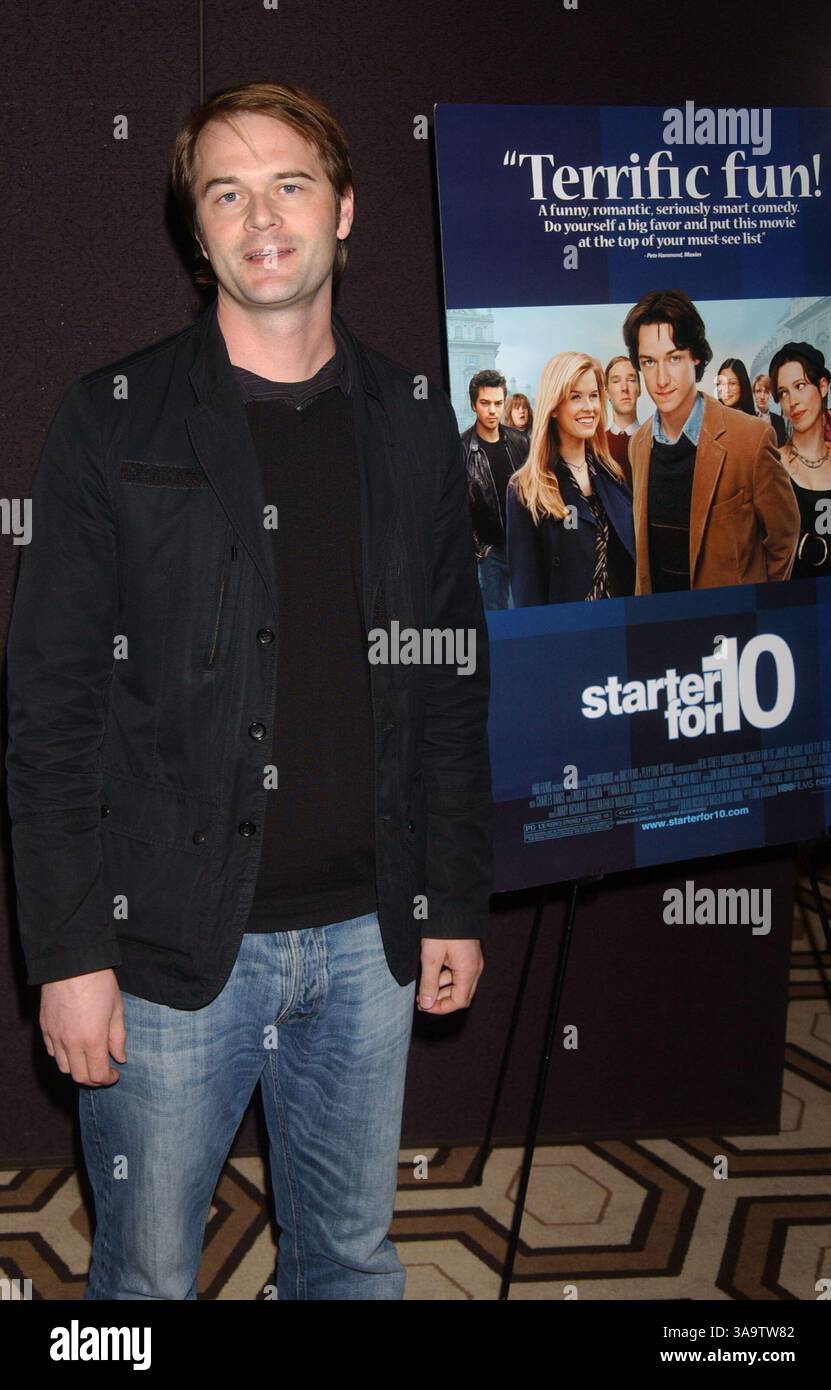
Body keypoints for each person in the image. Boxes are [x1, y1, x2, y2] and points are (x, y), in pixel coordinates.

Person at [4, 81, 494, 1302]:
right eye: (226, 191)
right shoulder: (111, 419)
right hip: (167, 957)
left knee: (348, 1261)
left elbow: (445, 677)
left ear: (343, 208)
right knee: (149, 1281)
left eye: (289, 183)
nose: (260, 214)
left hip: (367, 940)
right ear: (197, 227)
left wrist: (453, 896)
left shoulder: (415, 423)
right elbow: (49, 710)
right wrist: (68, 950)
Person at [622, 289, 800, 592]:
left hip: (729, 630)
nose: (661, 379)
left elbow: (784, 538)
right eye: (649, 362)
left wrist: (755, 608)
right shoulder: (637, 444)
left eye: (674, 358)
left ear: (697, 357)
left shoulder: (751, 439)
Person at [506, 351, 635, 605]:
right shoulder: (526, 489)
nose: (589, 407)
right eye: (576, 397)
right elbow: (526, 592)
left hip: (622, 626)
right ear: (554, 407)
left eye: (594, 396)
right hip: (570, 633)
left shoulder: (612, 473)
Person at [769, 342, 831, 578]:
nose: (792, 401)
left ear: (822, 387)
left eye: (800, 386)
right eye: (783, 393)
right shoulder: (771, 467)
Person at [460, 369, 529, 609]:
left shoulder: (521, 442)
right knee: (497, 622)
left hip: (523, 548)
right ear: (473, 405)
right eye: (485, 403)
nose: (492, 410)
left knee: (530, 618)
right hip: (490, 554)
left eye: (498, 403)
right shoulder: (462, 449)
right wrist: (480, 549)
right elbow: (458, 509)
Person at [603, 354, 641, 486]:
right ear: (606, 392)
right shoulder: (597, 446)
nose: (624, 388)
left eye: (631, 380)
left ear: (639, 389)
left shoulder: (654, 441)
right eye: (616, 381)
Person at [752, 372, 788, 446]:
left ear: (771, 394)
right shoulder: (747, 417)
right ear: (754, 394)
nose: (762, 396)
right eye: (758, 391)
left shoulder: (779, 421)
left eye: (766, 392)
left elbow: (782, 447)